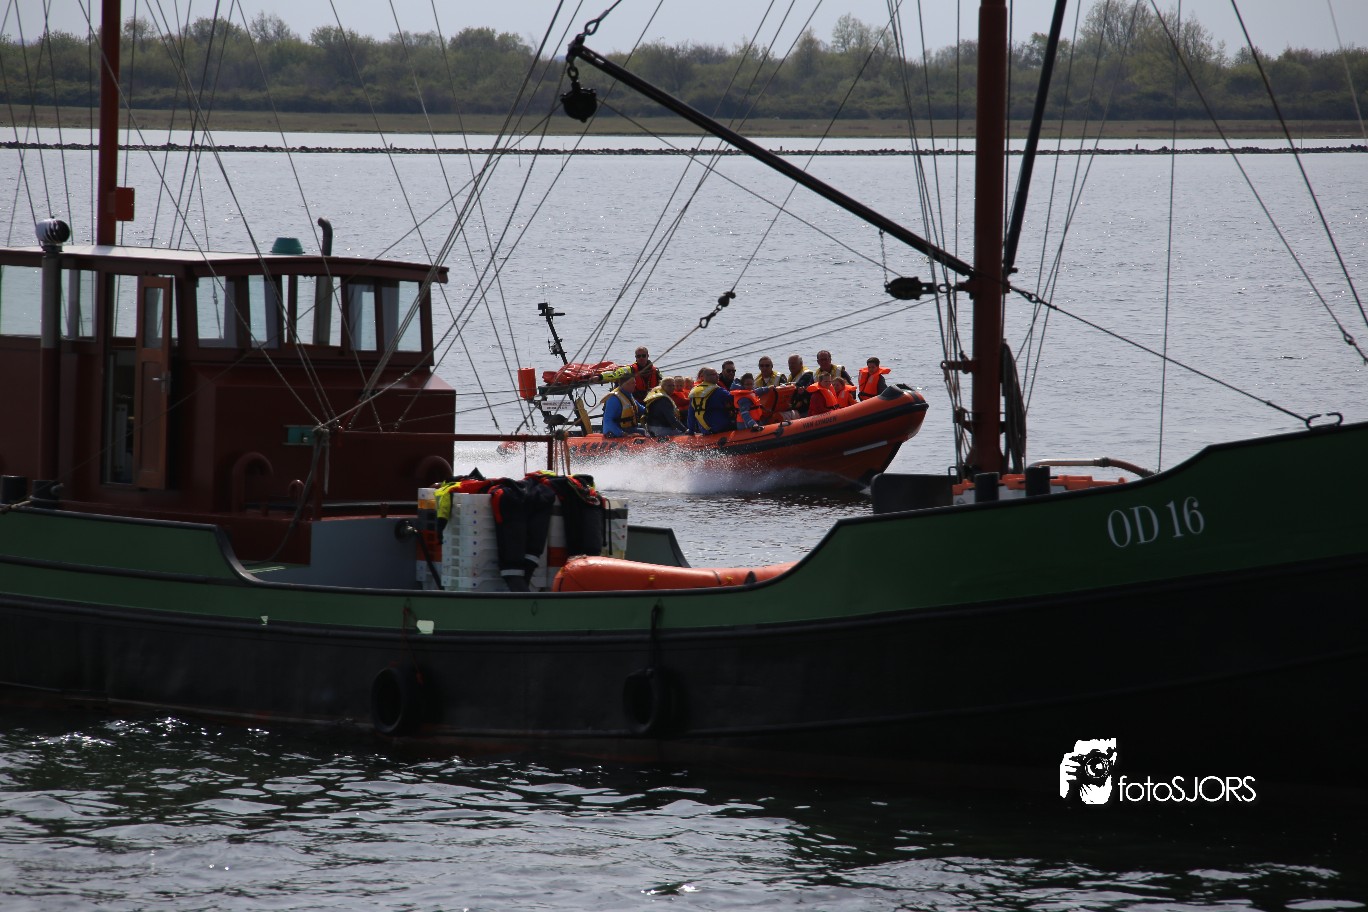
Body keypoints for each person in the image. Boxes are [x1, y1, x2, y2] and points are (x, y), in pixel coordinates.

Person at [686, 367, 736, 435]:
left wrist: (691, 430)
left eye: (717, 374)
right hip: (721, 427)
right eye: (713, 374)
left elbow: (691, 414)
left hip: (704, 429)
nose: (717, 376)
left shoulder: (695, 392)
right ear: (705, 377)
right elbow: (735, 400)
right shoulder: (719, 391)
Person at [785, 353, 815, 418]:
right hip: (794, 408)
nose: (791, 365)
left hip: (804, 409)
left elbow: (799, 389)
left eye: (794, 363)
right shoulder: (791, 376)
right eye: (790, 363)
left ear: (801, 364)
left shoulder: (807, 375)